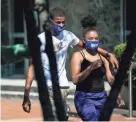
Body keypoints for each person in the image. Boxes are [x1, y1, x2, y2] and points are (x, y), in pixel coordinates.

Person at [22, 7, 119, 119]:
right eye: (58, 22)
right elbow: (32, 68)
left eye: (63, 22)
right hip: (48, 86)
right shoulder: (40, 40)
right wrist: (26, 95)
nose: (61, 25)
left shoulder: (68, 35)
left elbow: (88, 45)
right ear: (50, 22)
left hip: (63, 87)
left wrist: (108, 55)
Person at [71, 15, 125, 121]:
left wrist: (117, 94)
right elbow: (75, 79)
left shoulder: (103, 58)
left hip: (101, 97)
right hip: (84, 98)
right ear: (84, 41)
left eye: (96, 39)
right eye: (90, 39)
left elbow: (110, 79)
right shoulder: (78, 56)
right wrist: (90, 68)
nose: (94, 41)